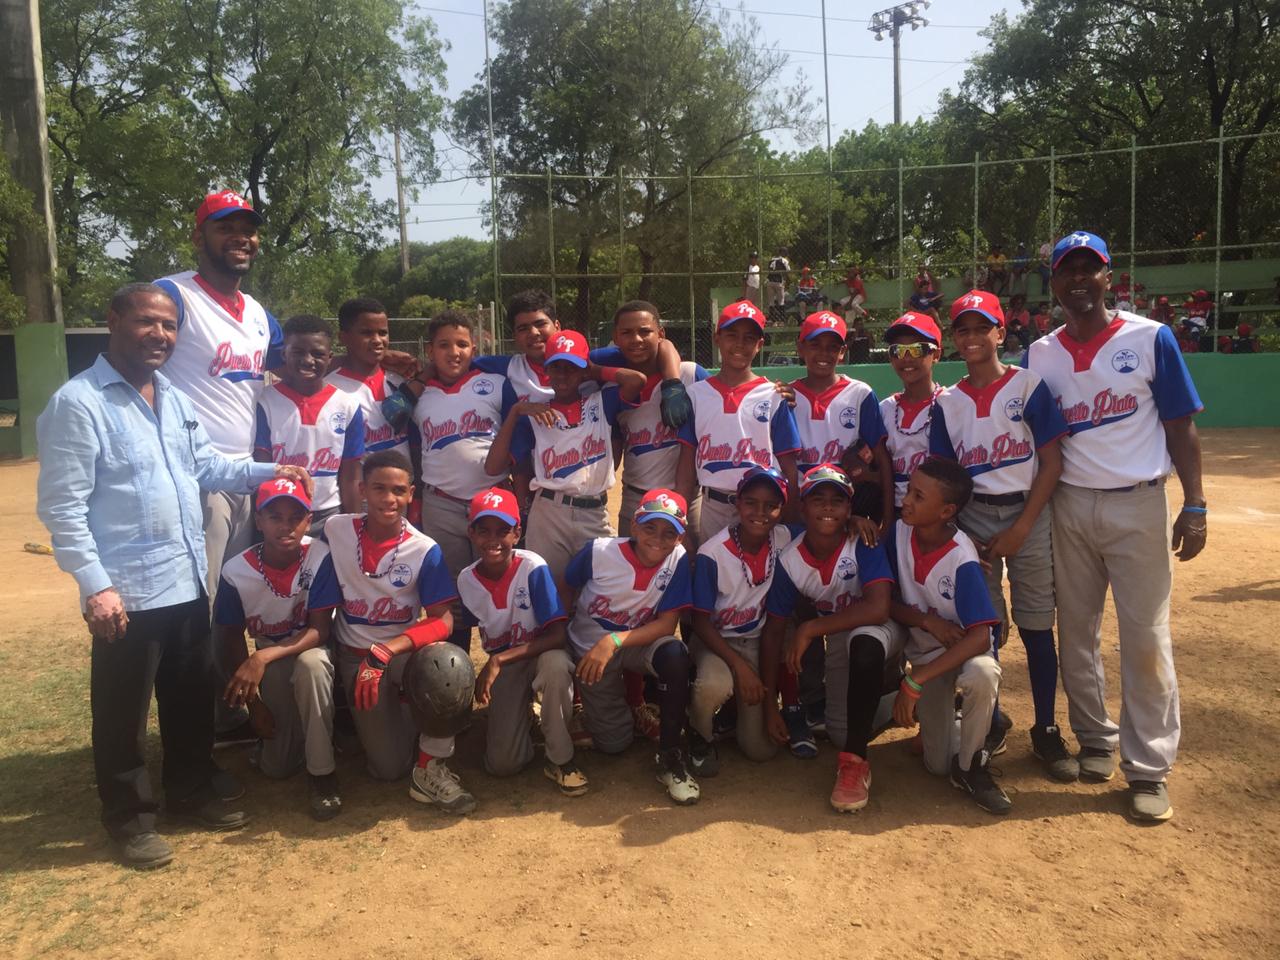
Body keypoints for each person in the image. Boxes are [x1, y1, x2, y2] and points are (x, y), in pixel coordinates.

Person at [35, 283, 308, 869]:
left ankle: (188, 788)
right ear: (113, 322)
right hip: (126, 591)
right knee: (122, 711)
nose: (159, 335)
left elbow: (206, 465)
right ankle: (129, 817)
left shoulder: (174, 397)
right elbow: (62, 507)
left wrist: (272, 469)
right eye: (146, 323)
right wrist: (95, 585)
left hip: (186, 579)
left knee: (187, 698)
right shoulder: (78, 404)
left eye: (167, 326)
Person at [1028, 230, 1206, 824]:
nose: (1079, 278)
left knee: (1146, 637)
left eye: (1090, 268)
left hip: (1139, 501)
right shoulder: (1041, 353)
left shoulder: (1150, 337)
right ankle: (1096, 738)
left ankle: (1149, 767)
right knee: (1075, 631)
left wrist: (1197, 502)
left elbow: (1181, 424)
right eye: (1067, 269)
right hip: (1071, 505)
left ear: (1109, 276)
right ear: (1053, 282)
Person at [930, 290, 1076, 782]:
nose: (972, 338)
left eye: (981, 327)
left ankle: (1046, 728)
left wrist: (1021, 527)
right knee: (984, 630)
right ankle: (991, 724)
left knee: (1037, 627)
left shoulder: (1028, 385)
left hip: (1026, 515)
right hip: (971, 523)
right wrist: (960, 536)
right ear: (954, 340)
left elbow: (1052, 462)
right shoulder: (946, 403)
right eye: (962, 330)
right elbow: (946, 479)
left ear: (1001, 331)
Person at [154, 191, 283, 743]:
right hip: (195, 478)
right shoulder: (173, 294)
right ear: (199, 235)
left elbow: (297, 362)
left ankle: (229, 707)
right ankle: (199, 721)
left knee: (233, 599)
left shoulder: (255, 312)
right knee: (196, 602)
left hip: (246, 478)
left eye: (248, 228)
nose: (240, 237)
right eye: (225, 226)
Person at [324, 451, 474, 812]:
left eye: (398, 490)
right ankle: (403, 722)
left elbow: (443, 620)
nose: (388, 499)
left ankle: (430, 767)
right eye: (378, 488)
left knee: (448, 662)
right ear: (361, 490)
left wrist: (387, 650)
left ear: (411, 495)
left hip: (399, 656)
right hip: (354, 658)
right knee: (389, 768)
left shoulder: (424, 549)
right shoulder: (336, 529)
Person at [761, 464, 902, 813]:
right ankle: (897, 698)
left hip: (876, 632)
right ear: (802, 507)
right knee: (841, 731)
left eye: (837, 501)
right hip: (840, 633)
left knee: (862, 644)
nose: (827, 508)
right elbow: (774, 631)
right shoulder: (790, 558)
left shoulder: (863, 540)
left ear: (849, 510)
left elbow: (879, 608)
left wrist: (810, 629)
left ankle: (855, 765)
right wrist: (768, 704)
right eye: (817, 499)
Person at [215, 478, 342, 820]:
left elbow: (320, 630)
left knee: (312, 666)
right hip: (273, 660)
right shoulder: (236, 571)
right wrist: (253, 706)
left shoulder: (319, 555)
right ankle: (300, 736)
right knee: (277, 769)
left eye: (294, 517)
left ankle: (323, 775)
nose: (285, 526)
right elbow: (229, 637)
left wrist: (262, 656)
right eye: (275, 517)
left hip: (308, 650)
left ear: (307, 520)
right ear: (258, 521)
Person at [888, 458, 1009, 815]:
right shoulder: (896, 534)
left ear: (946, 511)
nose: (907, 500)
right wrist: (929, 623)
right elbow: (884, 603)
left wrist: (915, 681)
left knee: (984, 674)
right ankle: (956, 724)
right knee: (936, 765)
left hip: (957, 658)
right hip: (927, 657)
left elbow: (980, 637)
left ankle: (973, 766)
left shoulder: (962, 557)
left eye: (918, 496)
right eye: (909, 490)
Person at [562, 490, 697, 803]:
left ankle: (670, 756)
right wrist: (569, 640)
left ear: (679, 538)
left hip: (630, 645)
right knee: (614, 744)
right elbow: (567, 586)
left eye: (669, 533)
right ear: (634, 526)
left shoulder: (676, 559)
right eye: (650, 528)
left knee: (675, 656)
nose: (658, 540)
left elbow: (666, 625)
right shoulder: (599, 551)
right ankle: (599, 711)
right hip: (591, 651)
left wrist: (614, 640)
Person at [484, 329, 645, 582]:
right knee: (550, 591)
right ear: (546, 371)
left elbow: (636, 381)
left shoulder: (601, 402)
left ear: (583, 371)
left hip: (594, 511)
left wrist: (595, 370)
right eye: (555, 367)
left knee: (597, 589)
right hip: (549, 512)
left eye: (571, 368)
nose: (562, 375)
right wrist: (516, 412)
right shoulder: (536, 415)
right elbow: (493, 467)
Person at [457, 488, 585, 795]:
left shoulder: (532, 567)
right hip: (510, 668)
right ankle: (525, 718)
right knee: (502, 764)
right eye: (484, 530)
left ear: (518, 532)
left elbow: (557, 636)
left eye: (503, 531)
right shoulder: (466, 580)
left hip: (540, 653)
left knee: (556, 667)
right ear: (471, 533)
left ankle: (560, 758)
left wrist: (498, 660)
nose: (493, 540)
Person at [398, 310, 512, 648]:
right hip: (441, 502)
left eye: (462, 344)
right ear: (430, 351)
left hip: (491, 502)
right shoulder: (418, 394)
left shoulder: (495, 383)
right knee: (451, 594)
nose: (454, 352)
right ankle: (454, 674)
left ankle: (507, 671)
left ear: (474, 348)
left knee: (501, 585)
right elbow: (413, 445)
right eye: (444, 345)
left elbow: (517, 438)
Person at [690, 466, 794, 772]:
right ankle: (699, 734)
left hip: (756, 640)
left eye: (771, 506)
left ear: (781, 509)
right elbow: (699, 622)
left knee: (761, 750)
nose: (760, 513)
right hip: (715, 642)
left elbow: (824, 530)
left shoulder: (785, 538)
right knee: (713, 683)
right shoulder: (713, 552)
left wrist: (856, 521)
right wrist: (740, 669)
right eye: (751, 503)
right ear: (737, 503)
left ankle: (734, 715)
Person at [675, 300, 802, 542]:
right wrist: (680, 517)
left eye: (749, 338)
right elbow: (686, 466)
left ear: (759, 345)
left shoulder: (774, 395)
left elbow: (789, 467)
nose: (740, 344)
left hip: (762, 508)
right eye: (731, 335)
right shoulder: (696, 395)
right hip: (714, 504)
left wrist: (791, 517)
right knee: (715, 571)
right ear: (717, 338)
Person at [253, 314, 365, 534]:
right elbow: (261, 469)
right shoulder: (264, 401)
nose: (308, 360)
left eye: (318, 354)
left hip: (329, 514)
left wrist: (354, 527)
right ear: (284, 354)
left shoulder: (348, 404)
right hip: (280, 513)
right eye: (298, 352)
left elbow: (350, 475)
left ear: (330, 358)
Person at [789, 310, 894, 528]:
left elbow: (881, 456)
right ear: (800, 349)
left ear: (842, 351)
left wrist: (887, 520)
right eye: (815, 345)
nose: (823, 353)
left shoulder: (859, 393)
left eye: (832, 347)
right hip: (800, 508)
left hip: (847, 508)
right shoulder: (786, 397)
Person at [327, 297, 411, 461]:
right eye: (366, 333)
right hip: (359, 484)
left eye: (383, 333)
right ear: (343, 337)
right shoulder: (330, 388)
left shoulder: (400, 379)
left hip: (407, 483)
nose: (377, 340)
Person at [880, 312, 945, 512]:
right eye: (897, 350)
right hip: (897, 514)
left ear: (936, 355)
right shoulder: (885, 408)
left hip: (937, 517)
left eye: (917, 349)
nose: (906, 358)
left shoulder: (951, 403)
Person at [765, 246, 792, 320]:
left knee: (771, 302)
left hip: (770, 281)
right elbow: (788, 271)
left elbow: (769, 269)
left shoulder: (772, 259)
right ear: (781, 253)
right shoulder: (784, 260)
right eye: (785, 252)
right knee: (781, 301)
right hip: (778, 281)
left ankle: (772, 319)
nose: (786, 254)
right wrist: (788, 282)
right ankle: (781, 319)